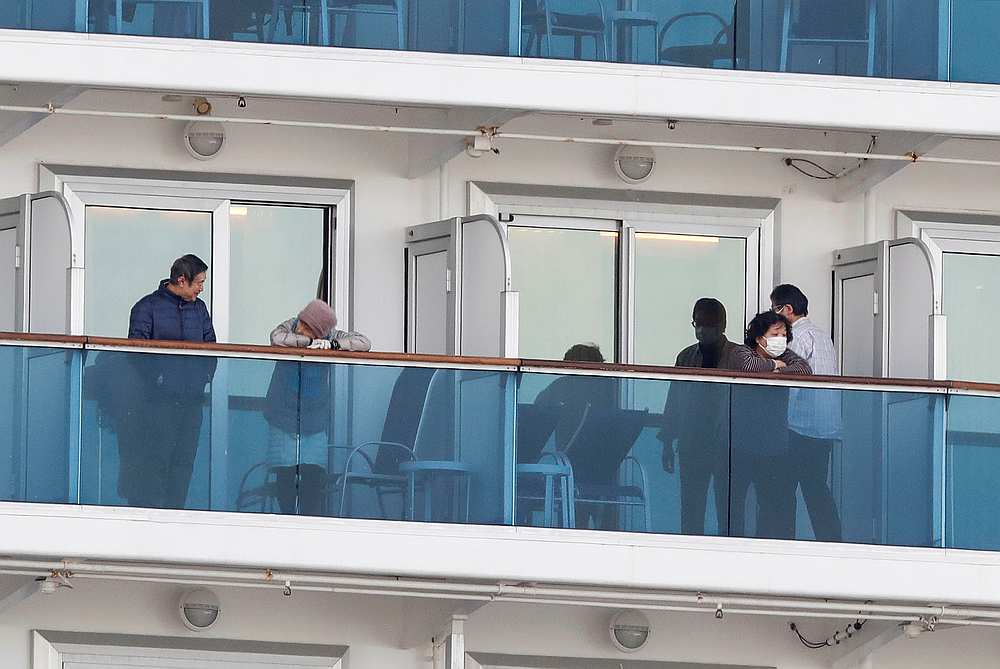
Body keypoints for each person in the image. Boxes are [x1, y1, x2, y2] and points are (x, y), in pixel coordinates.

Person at [121, 254, 217, 509]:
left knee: (184, 461)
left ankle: (176, 514)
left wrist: (204, 378)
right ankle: (153, 516)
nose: (202, 288)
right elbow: (136, 353)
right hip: (157, 402)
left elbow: (211, 345)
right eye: (199, 282)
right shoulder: (147, 308)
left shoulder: (199, 309)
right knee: (156, 459)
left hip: (192, 400)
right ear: (182, 280)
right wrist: (158, 380)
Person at [264, 300, 371, 516]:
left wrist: (332, 346)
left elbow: (364, 343)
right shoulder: (290, 325)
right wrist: (309, 342)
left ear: (321, 331)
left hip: (314, 420)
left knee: (313, 474)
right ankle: (287, 521)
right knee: (285, 474)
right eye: (302, 322)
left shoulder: (331, 337)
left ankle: (309, 522)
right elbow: (276, 338)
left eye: (308, 327)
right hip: (282, 417)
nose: (301, 328)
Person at [657, 298, 742, 536]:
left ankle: (731, 551)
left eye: (708, 324)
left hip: (728, 444)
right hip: (693, 442)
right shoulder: (686, 356)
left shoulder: (738, 356)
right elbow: (674, 401)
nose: (702, 330)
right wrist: (667, 441)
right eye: (698, 324)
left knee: (729, 509)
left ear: (722, 325)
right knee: (691, 508)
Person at [771, 284, 844, 541]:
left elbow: (788, 383)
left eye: (775, 309)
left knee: (782, 492)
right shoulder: (823, 336)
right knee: (816, 491)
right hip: (824, 430)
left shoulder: (796, 338)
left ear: (788, 309)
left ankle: (784, 546)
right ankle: (832, 544)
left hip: (798, 428)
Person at [730, 311, 811, 539]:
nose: (781, 339)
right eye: (775, 334)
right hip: (741, 444)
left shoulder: (786, 355)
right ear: (759, 338)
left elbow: (805, 369)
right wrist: (774, 364)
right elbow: (749, 366)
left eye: (784, 335)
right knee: (733, 504)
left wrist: (777, 369)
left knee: (772, 505)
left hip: (773, 446)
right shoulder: (741, 352)